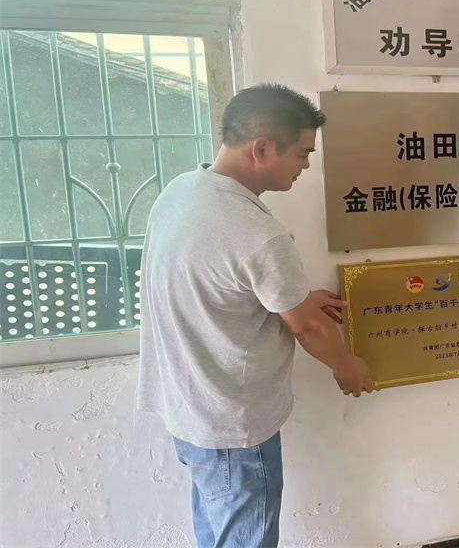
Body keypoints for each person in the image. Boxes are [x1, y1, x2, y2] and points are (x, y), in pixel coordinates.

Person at [136, 83, 373, 548]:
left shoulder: (182, 192)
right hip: (233, 428)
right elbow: (307, 326)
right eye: (302, 154)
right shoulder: (257, 233)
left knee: (218, 534)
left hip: (188, 412)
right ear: (262, 148)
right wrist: (347, 365)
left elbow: (216, 285)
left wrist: (296, 297)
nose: (306, 167)